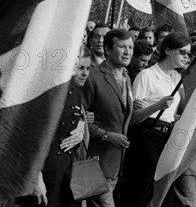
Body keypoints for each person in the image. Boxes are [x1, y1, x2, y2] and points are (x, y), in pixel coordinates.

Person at [120, 32, 190, 207]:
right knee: (140, 188)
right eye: (182, 52)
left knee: (160, 192)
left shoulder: (176, 77)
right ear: (167, 50)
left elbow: (174, 112)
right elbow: (133, 118)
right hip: (147, 136)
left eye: (188, 53)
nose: (186, 57)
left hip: (167, 138)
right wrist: (156, 106)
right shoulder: (146, 76)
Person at [81, 29, 134, 207]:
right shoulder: (93, 76)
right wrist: (105, 135)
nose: (127, 52)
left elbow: (125, 118)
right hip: (92, 161)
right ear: (108, 49)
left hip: (115, 164)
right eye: (122, 47)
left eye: (130, 47)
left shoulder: (127, 78)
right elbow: (77, 118)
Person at [37, 47, 90, 207]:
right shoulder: (47, 93)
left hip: (66, 170)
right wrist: (35, 175)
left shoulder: (75, 94)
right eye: (80, 67)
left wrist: (81, 128)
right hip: (46, 171)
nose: (85, 73)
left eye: (88, 68)